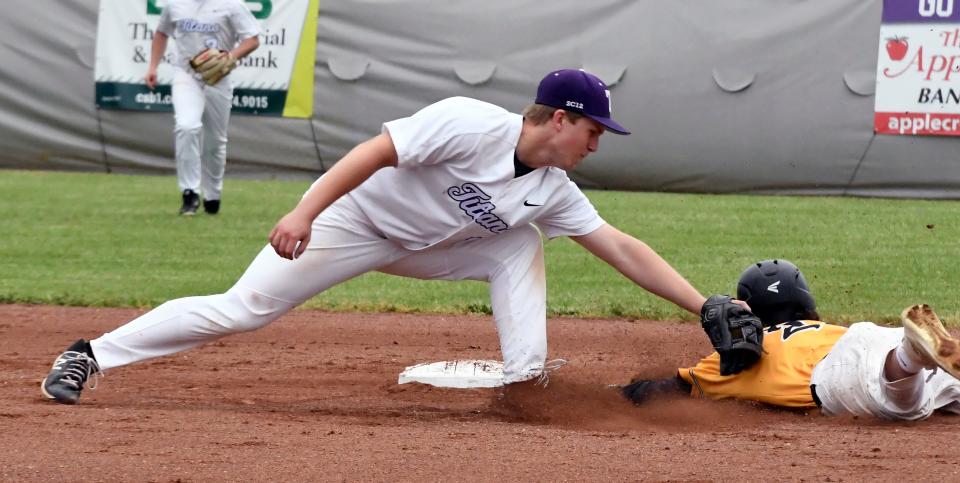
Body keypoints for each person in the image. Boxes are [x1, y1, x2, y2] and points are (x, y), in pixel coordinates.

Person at [41, 68, 719, 405]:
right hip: (355, 223)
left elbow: (621, 246)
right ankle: (89, 353)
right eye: (594, 131)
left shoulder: (551, 189)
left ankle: (523, 384)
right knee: (243, 307)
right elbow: (375, 152)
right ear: (563, 119)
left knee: (520, 243)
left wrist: (704, 306)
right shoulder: (469, 121)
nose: (597, 145)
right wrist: (306, 212)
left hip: (429, 247)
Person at [622, 259, 960, 420]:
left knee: (898, 402)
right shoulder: (828, 329)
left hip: (836, 374)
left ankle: (910, 355)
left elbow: (661, 391)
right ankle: (911, 352)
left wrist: (613, 395)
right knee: (941, 391)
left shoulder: (743, 355)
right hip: (869, 336)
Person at [145, 0, 261, 215]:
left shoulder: (231, 4)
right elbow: (162, 32)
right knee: (186, 127)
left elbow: (252, 39)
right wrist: (153, 66)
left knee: (215, 142)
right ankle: (189, 193)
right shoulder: (175, 4)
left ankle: (213, 194)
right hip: (186, 74)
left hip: (219, 75)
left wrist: (229, 57)